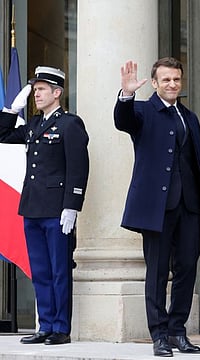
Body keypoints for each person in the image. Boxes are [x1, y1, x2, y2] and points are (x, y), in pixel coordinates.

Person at [113, 58, 200, 357]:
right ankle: (159, 334)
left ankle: (178, 331)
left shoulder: (188, 116)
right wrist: (126, 95)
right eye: (166, 80)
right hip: (157, 207)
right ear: (154, 82)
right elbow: (123, 121)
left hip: (189, 205)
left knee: (188, 269)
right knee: (158, 272)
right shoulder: (142, 111)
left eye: (176, 79)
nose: (172, 84)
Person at [0, 66, 89, 345]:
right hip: (32, 208)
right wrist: (11, 110)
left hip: (57, 209)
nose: (35, 94)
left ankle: (60, 328)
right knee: (40, 271)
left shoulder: (70, 123)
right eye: (34, 89)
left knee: (59, 271)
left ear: (57, 92)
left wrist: (72, 206)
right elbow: (2, 135)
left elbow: (78, 167)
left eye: (40, 89)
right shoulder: (35, 125)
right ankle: (45, 325)